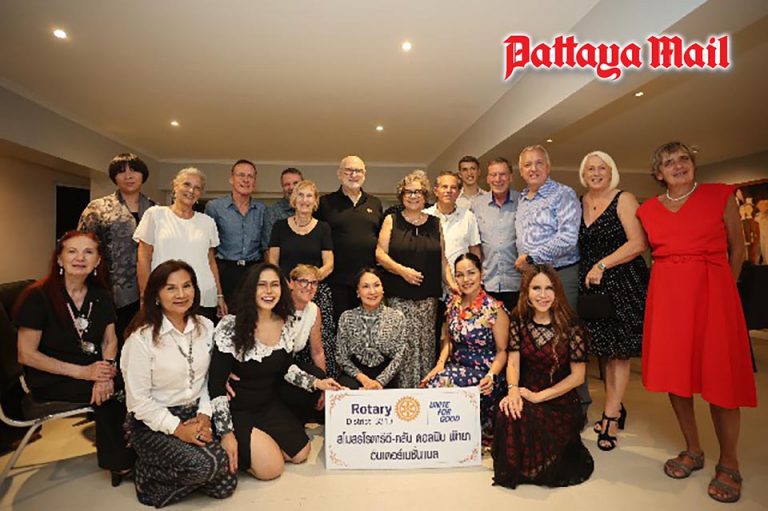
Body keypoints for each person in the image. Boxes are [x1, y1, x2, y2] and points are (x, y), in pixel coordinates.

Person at [636, 141, 756, 503]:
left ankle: (729, 462)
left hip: (714, 297)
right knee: (677, 376)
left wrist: (724, 289)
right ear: (659, 173)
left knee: (721, 377)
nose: (678, 165)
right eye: (668, 162)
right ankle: (693, 449)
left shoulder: (720, 196)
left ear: (693, 164)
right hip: (669, 300)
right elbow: (639, 250)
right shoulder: (647, 210)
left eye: (683, 159)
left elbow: (738, 249)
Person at [13, 231, 134, 486]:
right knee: (115, 394)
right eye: (72, 251)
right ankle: (121, 463)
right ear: (59, 259)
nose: (80, 258)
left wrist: (105, 371)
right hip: (51, 377)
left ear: (97, 261)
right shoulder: (38, 296)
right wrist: (84, 373)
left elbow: (110, 341)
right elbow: (26, 354)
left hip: (94, 369)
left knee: (130, 382)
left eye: (88, 252)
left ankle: (143, 450)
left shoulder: (101, 295)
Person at [208, 263, 342, 480]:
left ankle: (260, 448)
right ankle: (245, 449)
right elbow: (216, 386)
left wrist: (317, 383)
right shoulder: (230, 326)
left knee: (301, 454)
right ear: (251, 288)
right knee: (272, 470)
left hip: (267, 404)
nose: (269, 291)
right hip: (238, 409)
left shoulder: (284, 323)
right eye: (262, 285)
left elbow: (286, 369)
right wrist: (226, 434)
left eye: (274, 285)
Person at [121, 260, 237, 507]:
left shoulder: (206, 326)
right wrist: (177, 429)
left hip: (195, 414)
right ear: (156, 295)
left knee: (226, 484)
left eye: (187, 286)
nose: (181, 294)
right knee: (209, 465)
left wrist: (204, 415)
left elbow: (208, 379)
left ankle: (176, 470)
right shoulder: (140, 339)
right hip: (152, 423)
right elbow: (138, 402)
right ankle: (147, 475)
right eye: (171, 288)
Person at [493, 265, 593, 489]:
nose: (543, 295)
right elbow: (513, 362)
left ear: (557, 292)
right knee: (507, 411)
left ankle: (538, 466)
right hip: (526, 391)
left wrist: (539, 397)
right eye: (536, 288)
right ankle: (523, 468)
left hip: (559, 400)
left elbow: (578, 377)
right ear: (527, 292)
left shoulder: (572, 327)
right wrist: (513, 390)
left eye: (549, 288)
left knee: (529, 419)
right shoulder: (519, 321)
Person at [576, 151, 649, 451]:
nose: (596, 173)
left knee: (618, 353)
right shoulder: (580, 201)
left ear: (611, 172)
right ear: (583, 174)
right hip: (593, 287)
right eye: (590, 169)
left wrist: (602, 265)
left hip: (622, 283)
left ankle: (611, 418)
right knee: (604, 352)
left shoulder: (624, 199)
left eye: (601, 168)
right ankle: (616, 405)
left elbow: (638, 242)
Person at [514, 145, 590, 418]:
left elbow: (568, 238)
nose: (533, 169)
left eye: (538, 163)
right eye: (527, 165)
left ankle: (579, 406)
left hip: (561, 274)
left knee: (566, 338)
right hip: (531, 278)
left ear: (548, 166)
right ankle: (542, 402)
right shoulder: (522, 198)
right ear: (520, 170)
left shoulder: (563, 194)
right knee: (537, 341)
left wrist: (532, 257)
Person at [376, 171, 454, 387]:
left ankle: (424, 393)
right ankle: (403, 398)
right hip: (399, 298)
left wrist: (453, 285)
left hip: (428, 300)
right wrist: (403, 271)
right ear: (401, 195)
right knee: (403, 349)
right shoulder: (392, 220)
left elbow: (442, 260)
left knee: (426, 348)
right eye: (408, 192)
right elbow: (380, 254)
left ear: (425, 195)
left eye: (418, 191)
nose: (413, 196)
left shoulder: (435, 223)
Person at [421, 253, 508, 442]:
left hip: (485, 374)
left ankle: (465, 436)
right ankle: (442, 441)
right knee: (429, 383)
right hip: (456, 368)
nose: (466, 279)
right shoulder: (454, 304)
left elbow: (503, 351)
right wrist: (439, 364)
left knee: (440, 385)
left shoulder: (494, 309)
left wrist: (491, 376)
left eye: (471, 273)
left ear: (481, 274)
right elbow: (448, 339)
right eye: (460, 275)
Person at [78, 153, 155, 343]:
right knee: (112, 340)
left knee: (144, 341)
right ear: (114, 177)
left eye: (133, 170)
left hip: (149, 287)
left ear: (143, 175)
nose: (128, 176)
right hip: (110, 288)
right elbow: (82, 247)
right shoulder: (98, 208)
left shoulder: (155, 209)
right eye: (121, 172)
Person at [135, 167, 226, 322]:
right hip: (166, 295)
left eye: (197, 188)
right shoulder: (155, 215)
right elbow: (143, 257)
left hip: (203, 296)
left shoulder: (207, 222)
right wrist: (146, 295)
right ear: (175, 186)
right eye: (186, 184)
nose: (191, 191)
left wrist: (219, 295)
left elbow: (211, 261)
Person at [267, 180, 337, 376]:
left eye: (309, 196)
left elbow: (329, 264)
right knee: (284, 341)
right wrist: (289, 287)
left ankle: (322, 383)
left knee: (320, 343)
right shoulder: (280, 227)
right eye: (300, 195)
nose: (305, 200)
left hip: (316, 293)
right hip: (285, 292)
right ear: (293, 199)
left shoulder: (323, 228)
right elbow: (273, 262)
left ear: (315, 201)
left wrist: (309, 283)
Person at [316, 155, 383, 323]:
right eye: (348, 170)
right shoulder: (325, 203)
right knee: (341, 327)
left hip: (368, 283)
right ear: (339, 174)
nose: (353, 175)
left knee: (369, 327)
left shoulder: (375, 203)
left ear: (364, 174)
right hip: (337, 281)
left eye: (358, 171)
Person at [205, 159, 267, 310]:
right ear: (231, 179)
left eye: (250, 176)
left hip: (253, 271)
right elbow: (208, 250)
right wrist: (218, 292)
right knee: (224, 317)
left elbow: (266, 247)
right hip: (224, 271)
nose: (246, 180)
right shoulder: (214, 207)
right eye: (241, 175)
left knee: (253, 317)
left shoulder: (263, 209)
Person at [335, 268, 408, 389]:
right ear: (358, 292)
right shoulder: (347, 317)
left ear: (383, 289)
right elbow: (341, 356)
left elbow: (400, 355)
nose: (372, 291)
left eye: (376, 285)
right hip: (355, 377)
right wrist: (363, 379)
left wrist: (380, 382)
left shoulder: (396, 317)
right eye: (365, 286)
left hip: (386, 378)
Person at [471, 157, 520, 313]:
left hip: (518, 284)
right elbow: (474, 245)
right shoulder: (476, 205)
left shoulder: (523, 202)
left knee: (516, 327)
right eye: (493, 175)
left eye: (502, 174)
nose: (498, 179)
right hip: (488, 284)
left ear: (510, 177)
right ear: (487, 178)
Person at [264, 167, 303, 244]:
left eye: (296, 183)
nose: (291, 187)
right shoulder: (272, 212)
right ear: (282, 187)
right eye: (287, 184)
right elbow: (268, 246)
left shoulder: (314, 209)